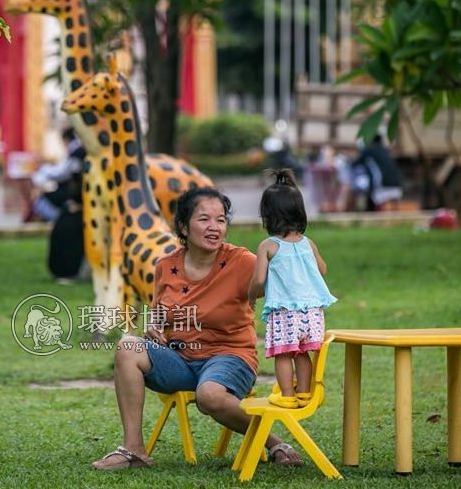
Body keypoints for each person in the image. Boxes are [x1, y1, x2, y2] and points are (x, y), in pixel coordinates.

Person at [91, 187, 303, 471]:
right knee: (127, 347)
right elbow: (158, 313)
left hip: (230, 358)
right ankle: (134, 450)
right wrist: (154, 326)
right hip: (180, 360)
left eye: (221, 219)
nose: (214, 227)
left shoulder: (243, 262)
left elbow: (290, 285)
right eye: (204, 219)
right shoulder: (166, 266)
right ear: (183, 226)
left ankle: (273, 442)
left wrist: (301, 326)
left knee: (210, 395)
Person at [248, 169, 337, 409]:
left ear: (267, 216)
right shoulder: (308, 243)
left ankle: (287, 395)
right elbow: (323, 269)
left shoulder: (268, 246)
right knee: (302, 353)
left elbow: (258, 279)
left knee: (284, 354)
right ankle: (305, 393)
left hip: (284, 311)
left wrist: (251, 297)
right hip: (312, 312)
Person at [27, 127, 85, 222]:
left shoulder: (76, 153)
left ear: (66, 140)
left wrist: (44, 170)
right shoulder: (75, 151)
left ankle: (59, 221)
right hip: (71, 189)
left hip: (72, 191)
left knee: (40, 201)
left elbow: (63, 174)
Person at [352, 134, 403, 211]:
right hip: (398, 186)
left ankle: (362, 210)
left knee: (359, 185)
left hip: (383, 186)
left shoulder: (369, 150)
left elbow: (356, 164)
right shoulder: (386, 151)